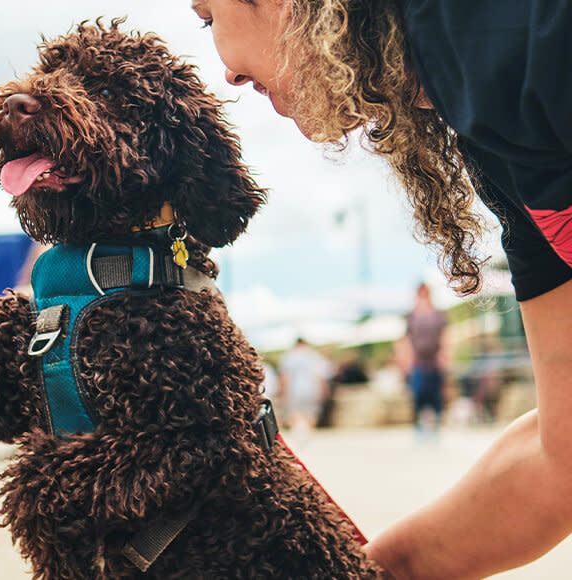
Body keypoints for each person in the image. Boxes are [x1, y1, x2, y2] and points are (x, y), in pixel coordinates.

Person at [189, 1, 572, 578]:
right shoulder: (478, 116)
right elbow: (561, 455)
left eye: (206, 14)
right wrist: (368, 572)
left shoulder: (502, 30)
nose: (230, 75)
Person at [403, 283, 449, 436]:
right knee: (418, 395)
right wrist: (406, 360)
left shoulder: (438, 315)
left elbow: (444, 336)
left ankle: (436, 427)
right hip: (418, 362)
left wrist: (444, 355)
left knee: (436, 396)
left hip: (434, 361)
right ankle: (418, 428)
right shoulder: (410, 316)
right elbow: (406, 340)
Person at [278, 337, 331, 441]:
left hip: (293, 391)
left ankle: (298, 434)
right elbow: (320, 376)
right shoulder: (314, 356)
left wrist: (282, 391)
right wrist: (324, 390)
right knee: (310, 414)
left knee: (294, 414)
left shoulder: (289, 356)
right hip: (312, 390)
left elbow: (285, 377)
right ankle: (307, 435)